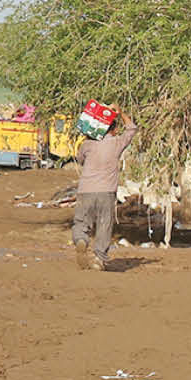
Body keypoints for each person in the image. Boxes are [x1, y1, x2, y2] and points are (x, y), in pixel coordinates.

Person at [72, 112, 135, 271]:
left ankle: (81, 239)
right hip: (107, 191)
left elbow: (80, 160)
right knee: (104, 225)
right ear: (113, 129)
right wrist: (120, 112)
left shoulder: (87, 145)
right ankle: (99, 259)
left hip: (86, 190)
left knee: (82, 221)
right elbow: (132, 129)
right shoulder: (116, 142)